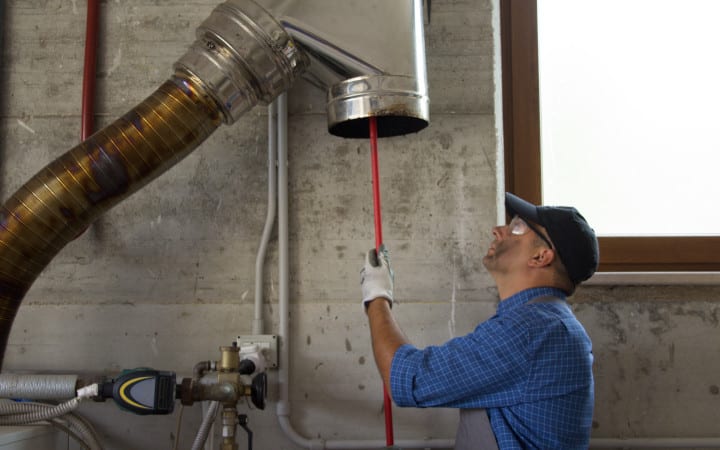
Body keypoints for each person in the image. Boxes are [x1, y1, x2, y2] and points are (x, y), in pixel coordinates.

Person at [360, 192, 599, 449]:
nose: (498, 231)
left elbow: (408, 379)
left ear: (541, 256)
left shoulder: (530, 331)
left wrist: (376, 294)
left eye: (517, 227)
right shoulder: (546, 323)